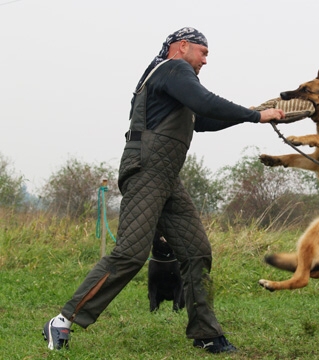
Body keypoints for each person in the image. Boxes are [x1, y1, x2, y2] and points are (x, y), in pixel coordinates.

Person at [42, 27, 285, 354]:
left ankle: (205, 332)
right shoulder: (173, 68)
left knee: (197, 250)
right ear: (182, 46)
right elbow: (205, 102)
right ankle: (62, 320)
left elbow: (202, 118)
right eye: (204, 53)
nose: (205, 61)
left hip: (167, 177)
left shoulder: (170, 79)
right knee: (130, 253)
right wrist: (256, 115)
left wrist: (249, 116)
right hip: (146, 171)